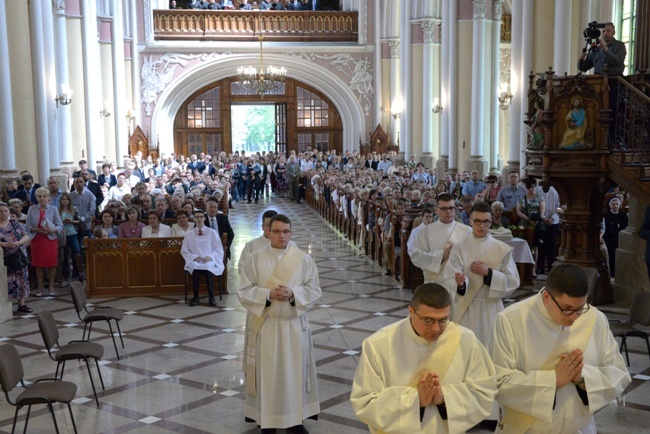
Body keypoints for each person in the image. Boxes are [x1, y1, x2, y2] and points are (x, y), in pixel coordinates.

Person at [490, 263, 631, 434]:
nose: (574, 317)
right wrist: (553, 380)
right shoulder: (511, 320)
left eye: (580, 309)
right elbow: (499, 382)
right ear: (547, 297)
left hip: (578, 428)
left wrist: (582, 378)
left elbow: (619, 373)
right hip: (528, 429)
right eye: (567, 309)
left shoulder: (595, 319)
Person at [350, 283, 497, 433]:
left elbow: (484, 393)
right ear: (411, 312)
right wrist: (415, 400)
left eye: (443, 320)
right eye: (428, 320)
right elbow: (364, 402)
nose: (436, 329)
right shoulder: (378, 344)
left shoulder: (465, 340)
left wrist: (445, 399)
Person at [238, 214, 321, 433]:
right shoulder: (254, 259)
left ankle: (295, 420)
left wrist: (293, 293)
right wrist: (268, 294)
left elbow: (314, 289)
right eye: (276, 231)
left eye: (285, 231)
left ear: (291, 233)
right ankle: (267, 420)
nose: (281, 236)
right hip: (267, 326)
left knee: (294, 375)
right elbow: (244, 291)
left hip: (293, 327)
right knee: (269, 377)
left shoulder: (303, 259)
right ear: (268, 232)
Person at [442, 201, 520, 346]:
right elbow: (450, 275)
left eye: (486, 222)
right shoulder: (460, 248)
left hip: (491, 308)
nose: (482, 226)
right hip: (467, 308)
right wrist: (460, 283)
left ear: (491, 222)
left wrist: (489, 274)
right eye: (477, 221)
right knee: (466, 349)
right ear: (470, 221)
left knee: (490, 349)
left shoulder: (500, 249)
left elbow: (512, 281)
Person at [409, 193, 472, 283]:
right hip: (434, 283)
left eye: (451, 208)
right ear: (436, 211)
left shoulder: (467, 231)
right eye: (444, 209)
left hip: (458, 283)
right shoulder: (426, 231)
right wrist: (441, 256)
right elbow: (416, 256)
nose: (448, 212)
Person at [181, 209, 224, 307]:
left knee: (208, 268)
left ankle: (211, 296)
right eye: (197, 217)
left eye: (201, 216)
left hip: (208, 260)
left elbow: (218, 249)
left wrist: (210, 256)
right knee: (195, 269)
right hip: (196, 261)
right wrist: (194, 257)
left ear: (204, 218)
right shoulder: (189, 234)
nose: (199, 219)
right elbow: (184, 250)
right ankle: (195, 296)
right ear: (194, 219)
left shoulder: (212, 233)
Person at [25, 187, 63, 297]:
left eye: (44, 196)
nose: (42, 198)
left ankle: (51, 286)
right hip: (37, 239)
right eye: (39, 196)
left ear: (48, 198)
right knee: (38, 264)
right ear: (36, 198)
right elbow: (28, 227)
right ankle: (40, 288)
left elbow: (60, 225)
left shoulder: (53, 209)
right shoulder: (31, 209)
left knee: (52, 264)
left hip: (50, 239)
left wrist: (52, 230)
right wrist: (37, 230)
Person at [0, 202, 32, 313]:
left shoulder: (15, 224)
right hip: (5, 258)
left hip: (19, 256)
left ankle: (21, 304)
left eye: (5, 211)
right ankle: (6, 307)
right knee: (7, 281)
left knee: (21, 280)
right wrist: (3, 244)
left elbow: (26, 235)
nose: (3, 213)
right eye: (1, 211)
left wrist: (18, 243)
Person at [602, 197, 628, 277]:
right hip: (609, 239)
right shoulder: (606, 215)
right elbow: (607, 230)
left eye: (617, 204)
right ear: (610, 206)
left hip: (621, 238)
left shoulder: (623, 215)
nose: (615, 206)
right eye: (613, 204)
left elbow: (625, 227)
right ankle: (612, 273)